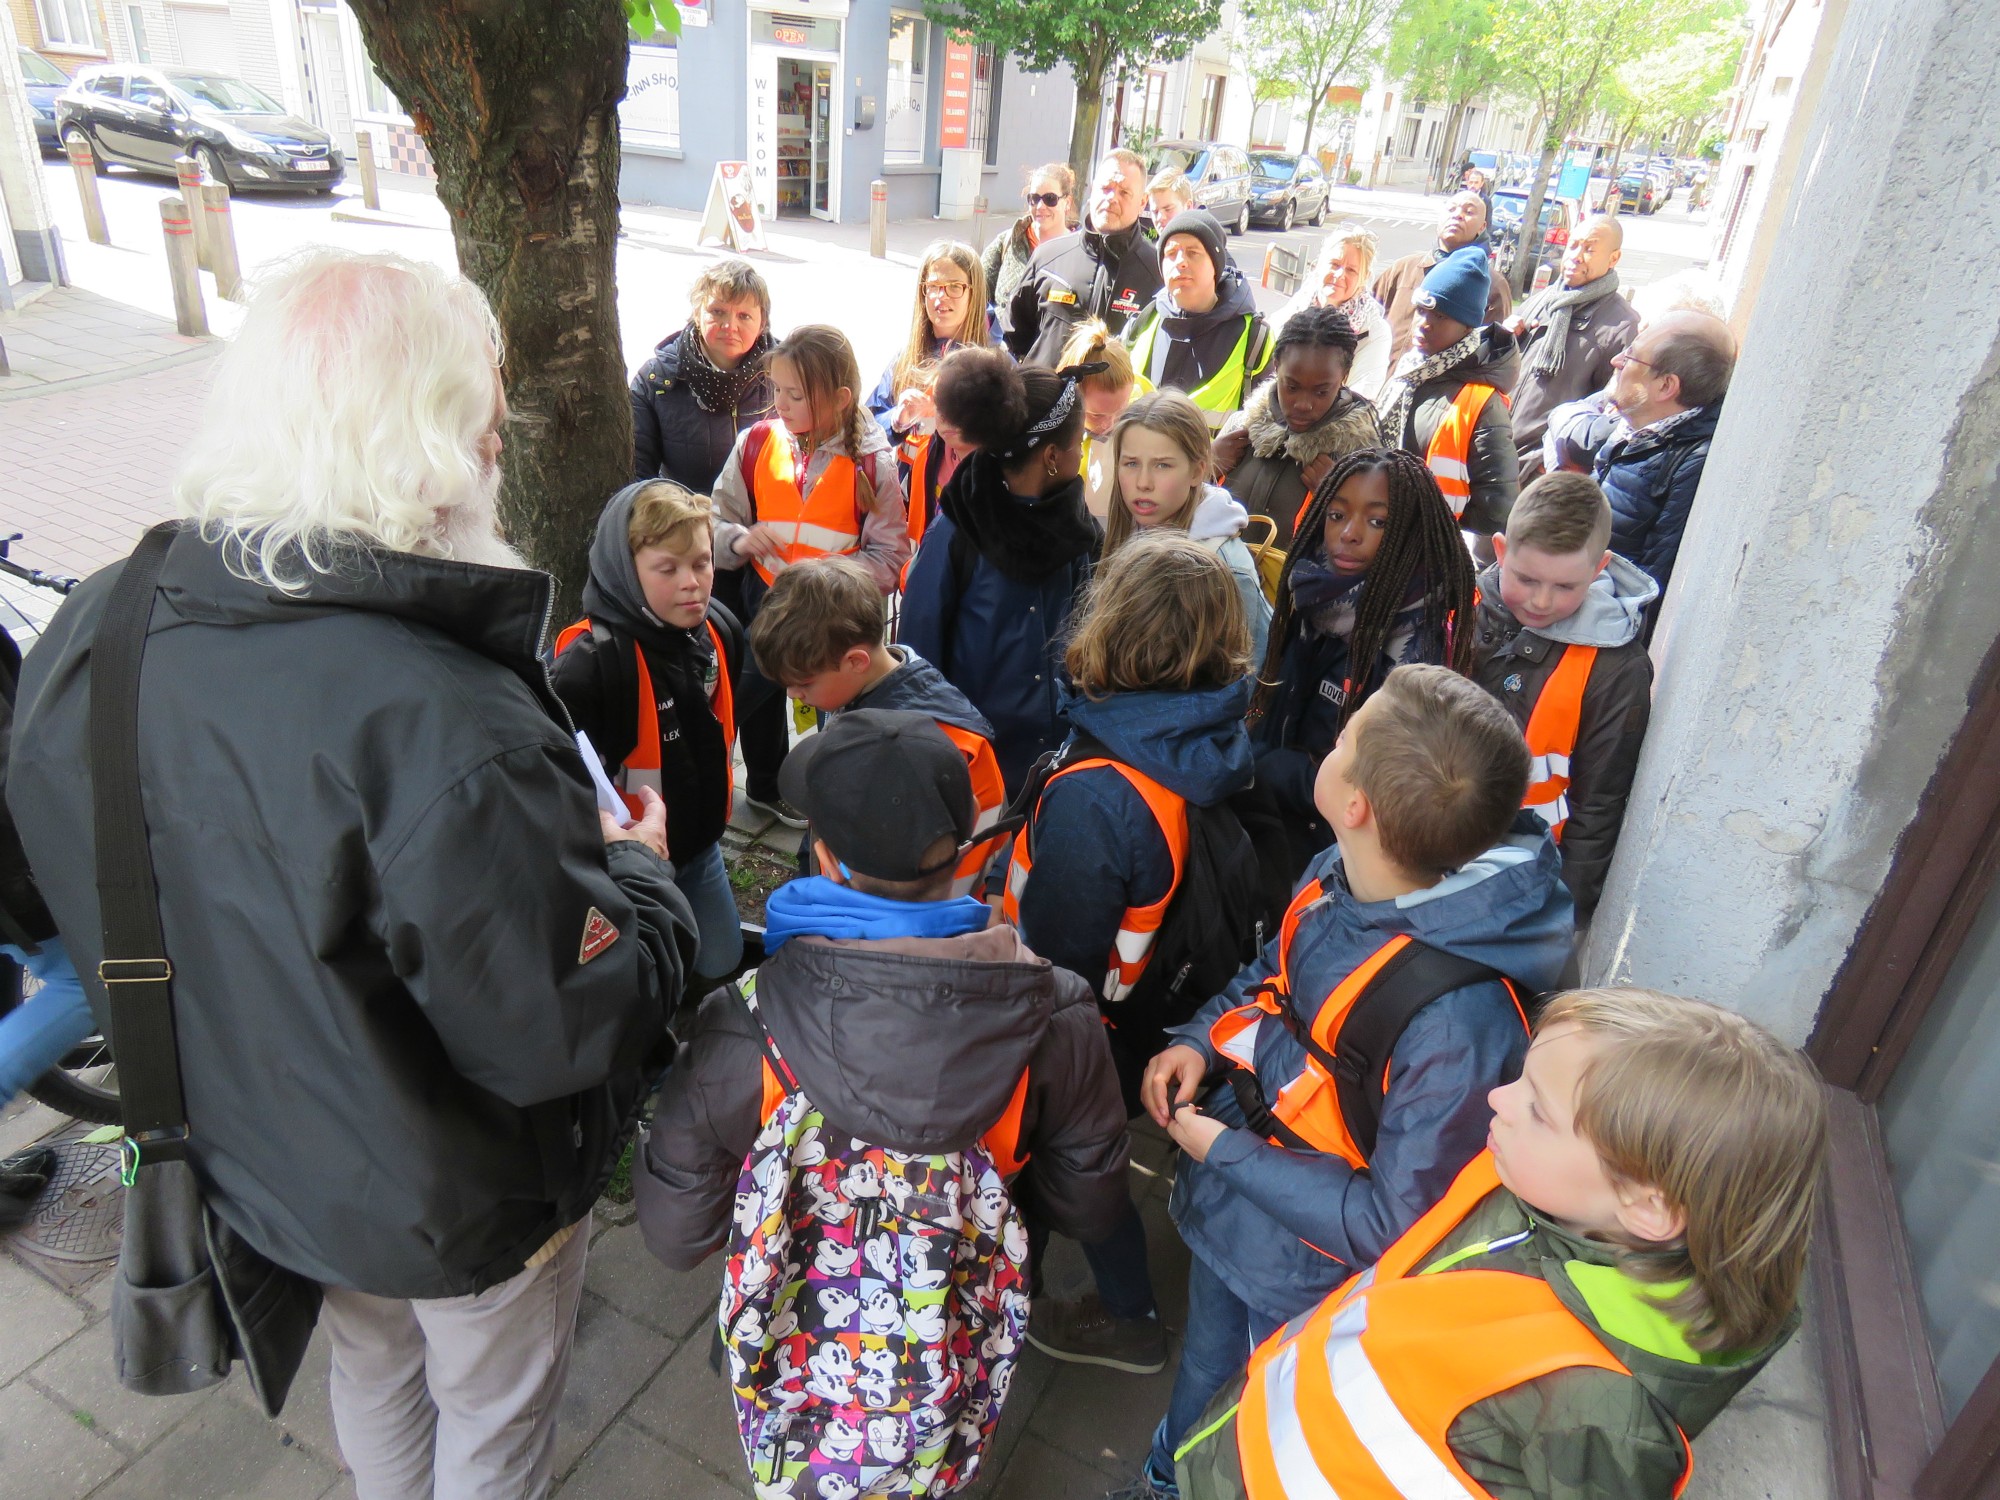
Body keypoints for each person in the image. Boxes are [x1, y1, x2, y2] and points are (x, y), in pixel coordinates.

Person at [7, 249, 698, 1500]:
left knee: (371, 1368)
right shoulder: (439, 720)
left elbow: (47, 885)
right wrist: (641, 880)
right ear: (434, 445)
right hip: (461, 1196)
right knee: (490, 1413)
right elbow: (556, 1027)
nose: (499, 445)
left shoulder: (95, 622)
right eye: (486, 421)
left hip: (266, 1161)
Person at [632, 710, 1131, 1474]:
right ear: (963, 851)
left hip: (796, 1337)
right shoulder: (1054, 1015)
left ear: (824, 857)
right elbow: (1090, 1203)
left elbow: (676, 1235)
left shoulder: (746, 1026)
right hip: (954, 1329)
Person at [1124, 663, 1571, 1500]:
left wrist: (1220, 1149)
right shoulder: (1347, 874)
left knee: (1267, 1411)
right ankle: (1165, 1479)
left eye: (1348, 733)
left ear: (1355, 802)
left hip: (1306, 1271)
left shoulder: (1459, 1027)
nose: (1334, 737)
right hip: (1243, 1211)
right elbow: (1277, 977)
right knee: (1205, 1366)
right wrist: (1199, 1042)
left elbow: (1391, 1224)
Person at [1174, 988, 1829, 1500]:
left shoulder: (1605, 1412)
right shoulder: (1534, 1181)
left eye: (1538, 1109)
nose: (1496, 1098)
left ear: (1649, 1206)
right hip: (1259, 1449)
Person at [1005, 536, 1256, 1377]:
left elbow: (1057, 956)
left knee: (1059, 1164)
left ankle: (1116, 1317)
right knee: (1088, 1154)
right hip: (1148, 1012)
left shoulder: (1098, 797)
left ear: (1104, 628)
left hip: (1074, 1027)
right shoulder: (1205, 735)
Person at [1248, 448, 1478, 887]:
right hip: (1273, 820)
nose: (1349, 534)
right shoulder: (1313, 589)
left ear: (1409, 533)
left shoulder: (1416, 650)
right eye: (1336, 515)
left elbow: (1380, 790)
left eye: (1378, 522)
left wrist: (1276, 771)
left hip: (1335, 860)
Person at [713, 325, 910, 826]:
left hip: (834, 618)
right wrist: (735, 539)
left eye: (795, 394)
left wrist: (828, 581)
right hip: (766, 600)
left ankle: (833, 807)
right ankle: (760, 786)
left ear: (841, 398)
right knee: (746, 699)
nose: (780, 402)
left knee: (835, 714)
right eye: (776, 389)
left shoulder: (873, 463)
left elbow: (889, 555)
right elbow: (715, 516)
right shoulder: (756, 442)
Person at [553, 480, 746, 984]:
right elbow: (561, 789)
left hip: (701, 848)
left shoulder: (716, 630)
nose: (693, 583)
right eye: (668, 568)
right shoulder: (590, 666)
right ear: (626, 571)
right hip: (629, 869)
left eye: (702, 562)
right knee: (650, 989)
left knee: (722, 964)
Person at [749, 555, 1007, 899]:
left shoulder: (949, 749)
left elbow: (947, 883)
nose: (794, 695)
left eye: (804, 684)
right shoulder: (860, 689)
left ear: (856, 661)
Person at [900, 350, 1100, 793]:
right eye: (1079, 442)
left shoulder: (1074, 528)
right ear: (1052, 456)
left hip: (1059, 761)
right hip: (975, 767)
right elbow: (917, 653)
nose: (1082, 453)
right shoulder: (959, 529)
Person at [1472, 473, 1656, 921]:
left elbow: (1599, 805)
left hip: (1517, 885)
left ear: (1599, 569)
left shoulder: (1617, 671)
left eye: (1565, 587)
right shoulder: (1463, 604)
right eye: (1527, 578)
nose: (1540, 601)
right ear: (1500, 551)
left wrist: (1558, 917)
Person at [1103, 392, 1271, 660]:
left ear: (1196, 471)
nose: (1143, 482)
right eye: (1131, 463)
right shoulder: (1130, 533)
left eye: (1162, 465)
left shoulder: (1227, 566)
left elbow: (1245, 678)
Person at [1375, 243, 1521, 537]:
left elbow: (1496, 513)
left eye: (1440, 316)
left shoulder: (1483, 403)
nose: (1424, 324)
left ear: (1467, 327)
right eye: (1421, 310)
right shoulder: (1407, 372)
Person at [1214, 305, 1382, 547]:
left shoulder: (1362, 458)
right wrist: (1203, 468)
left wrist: (1341, 502)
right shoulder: (1241, 428)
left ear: (1344, 376)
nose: (1303, 405)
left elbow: (1373, 552)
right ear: (1276, 365)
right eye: (1291, 387)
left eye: (1321, 391)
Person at [1593, 310, 1736, 595]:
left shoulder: (1693, 464)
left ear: (1666, 386)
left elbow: (1649, 585)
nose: (1616, 361)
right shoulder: (1636, 427)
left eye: (1631, 356)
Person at [1505, 215, 1641, 482]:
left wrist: (1550, 464)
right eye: (1573, 245)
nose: (1576, 256)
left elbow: (1612, 413)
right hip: (1493, 454)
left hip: (1542, 471)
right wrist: (1501, 340)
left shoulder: (1622, 326)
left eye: (1589, 249)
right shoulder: (1542, 301)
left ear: (1614, 259)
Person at [1006, 149, 1163, 367]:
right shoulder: (1047, 258)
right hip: (1044, 397)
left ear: (1143, 202)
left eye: (1124, 192)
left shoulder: (1158, 273)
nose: (1111, 198)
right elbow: (1014, 335)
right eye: (1106, 188)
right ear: (1091, 190)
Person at [631, 258, 775, 493]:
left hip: (765, 522)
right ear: (697, 315)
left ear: (762, 323)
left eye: (744, 316)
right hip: (685, 520)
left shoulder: (785, 377)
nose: (730, 326)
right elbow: (638, 477)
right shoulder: (656, 380)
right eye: (717, 312)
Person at [1123, 210, 1272, 427]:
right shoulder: (1140, 325)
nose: (1181, 262)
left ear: (1215, 265)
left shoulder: (1255, 339)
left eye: (1193, 252)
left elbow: (1267, 427)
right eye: (1171, 253)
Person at [865, 239, 996, 443]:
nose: (941, 297)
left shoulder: (994, 364)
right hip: (908, 473)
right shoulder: (906, 358)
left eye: (954, 287)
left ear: (974, 293)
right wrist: (897, 420)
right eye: (933, 286)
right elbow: (866, 429)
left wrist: (947, 411)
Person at [1372, 190, 1515, 368]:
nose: (1458, 215)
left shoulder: (1494, 287)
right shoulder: (1403, 268)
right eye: (1451, 209)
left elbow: (1491, 356)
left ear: (1482, 226)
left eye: (1468, 212)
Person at [1275, 226, 1393, 400]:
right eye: (1334, 264)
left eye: (1351, 270)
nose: (1339, 274)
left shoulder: (1373, 331)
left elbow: (1361, 396)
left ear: (1364, 278)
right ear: (1318, 266)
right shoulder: (1296, 308)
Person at [1061, 320, 1143, 519]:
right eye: (1095, 415)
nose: (1109, 424)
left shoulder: (1147, 403)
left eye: (1121, 410)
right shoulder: (1057, 428)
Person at [983, 162, 1077, 321]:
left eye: (1050, 199)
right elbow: (975, 292)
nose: (1040, 206)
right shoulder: (1007, 243)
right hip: (1005, 345)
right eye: (1034, 198)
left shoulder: (1081, 252)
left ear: (1067, 202)